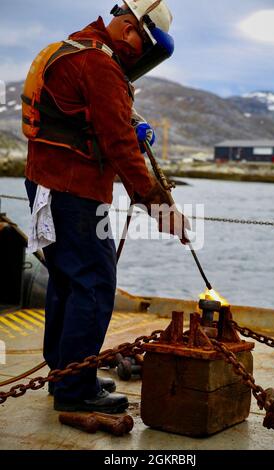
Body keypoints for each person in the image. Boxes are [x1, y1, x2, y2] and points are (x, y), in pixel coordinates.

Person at [23, 0, 190, 413]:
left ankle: (65, 375)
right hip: (74, 193)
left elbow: (94, 118)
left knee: (66, 280)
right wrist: (162, 208)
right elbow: (119, 148)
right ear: (131, 28)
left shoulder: (76, 47)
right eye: (140, 47)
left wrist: (130, 122)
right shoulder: (100, 66)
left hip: (47, 184)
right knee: (95, 283)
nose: (136, 56)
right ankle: (76, 391)